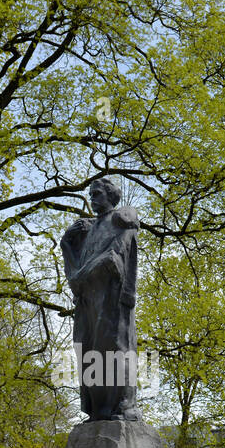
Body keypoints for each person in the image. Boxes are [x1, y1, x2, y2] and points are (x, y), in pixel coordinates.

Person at [60, 176, 141, 421]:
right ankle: (98, 410)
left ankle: (122, 406)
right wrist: (66, 241)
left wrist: (85, 272)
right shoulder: (88, 228)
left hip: (112, 298)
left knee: (114, 348)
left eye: (97, 194)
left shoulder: (120, 219)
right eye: (91, 195)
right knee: (87, 350)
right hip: (88, 301)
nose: (92, 199)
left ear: (110, 195)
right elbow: (75, 264)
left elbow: (116, 255)